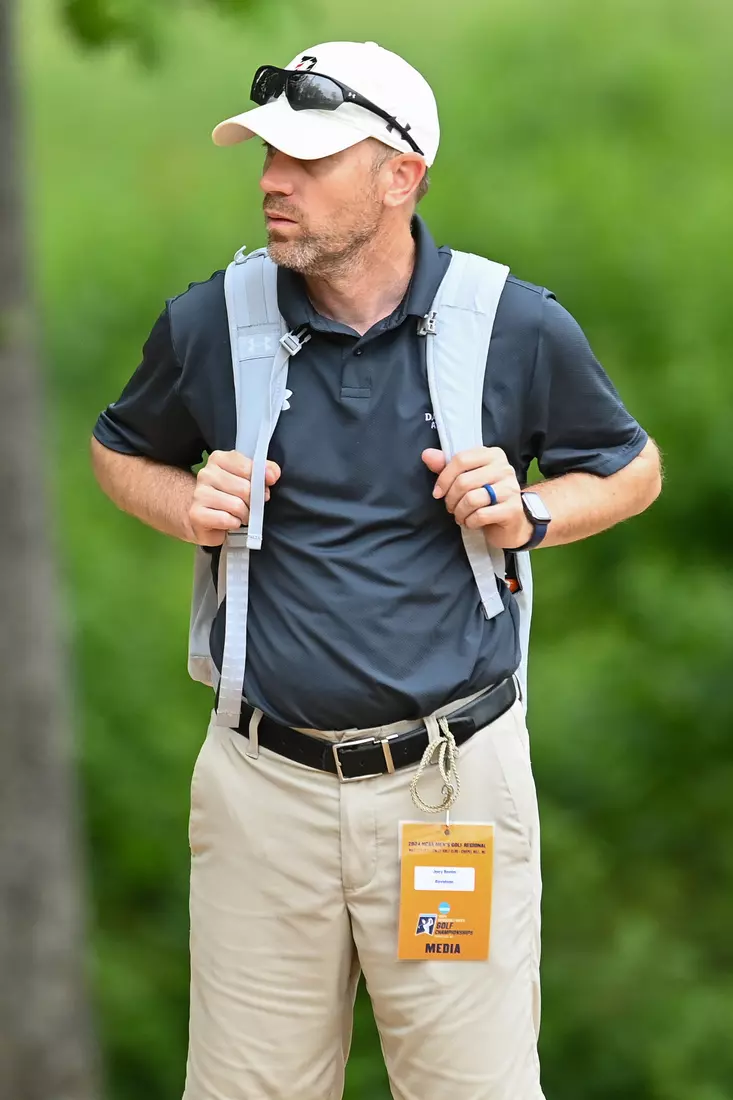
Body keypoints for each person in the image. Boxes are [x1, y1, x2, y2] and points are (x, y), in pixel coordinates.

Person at [90, 39, 662, 1100]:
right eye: (268, 157)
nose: (272, 181)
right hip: (260, 789)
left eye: (306, 162)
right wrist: (184, 502)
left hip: (450, 792)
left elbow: (632, 469)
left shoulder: (514, 324)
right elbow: (118, 450)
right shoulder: (211, 319)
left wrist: (530, 511)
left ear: (401, 176)